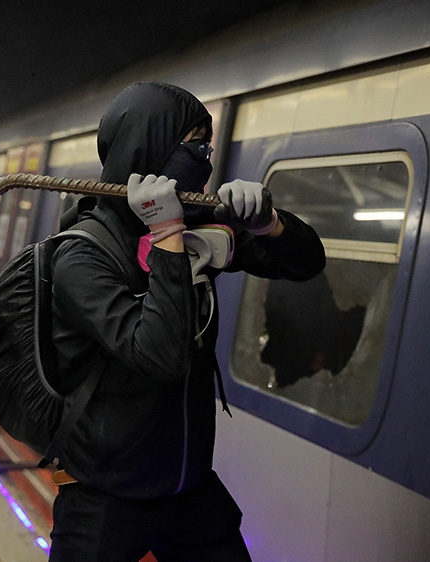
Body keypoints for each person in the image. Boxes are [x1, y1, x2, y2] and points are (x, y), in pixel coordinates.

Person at [46, 82, 325, 561]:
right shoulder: (83, 255)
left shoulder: (197, 224)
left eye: (208, 147)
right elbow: (159, 355)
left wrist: (269, 224)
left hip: (187, 484)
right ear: (149, 149)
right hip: (106, 494)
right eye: (195, 145)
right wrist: (166, 235)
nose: (206, 160)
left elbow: (305, 264)